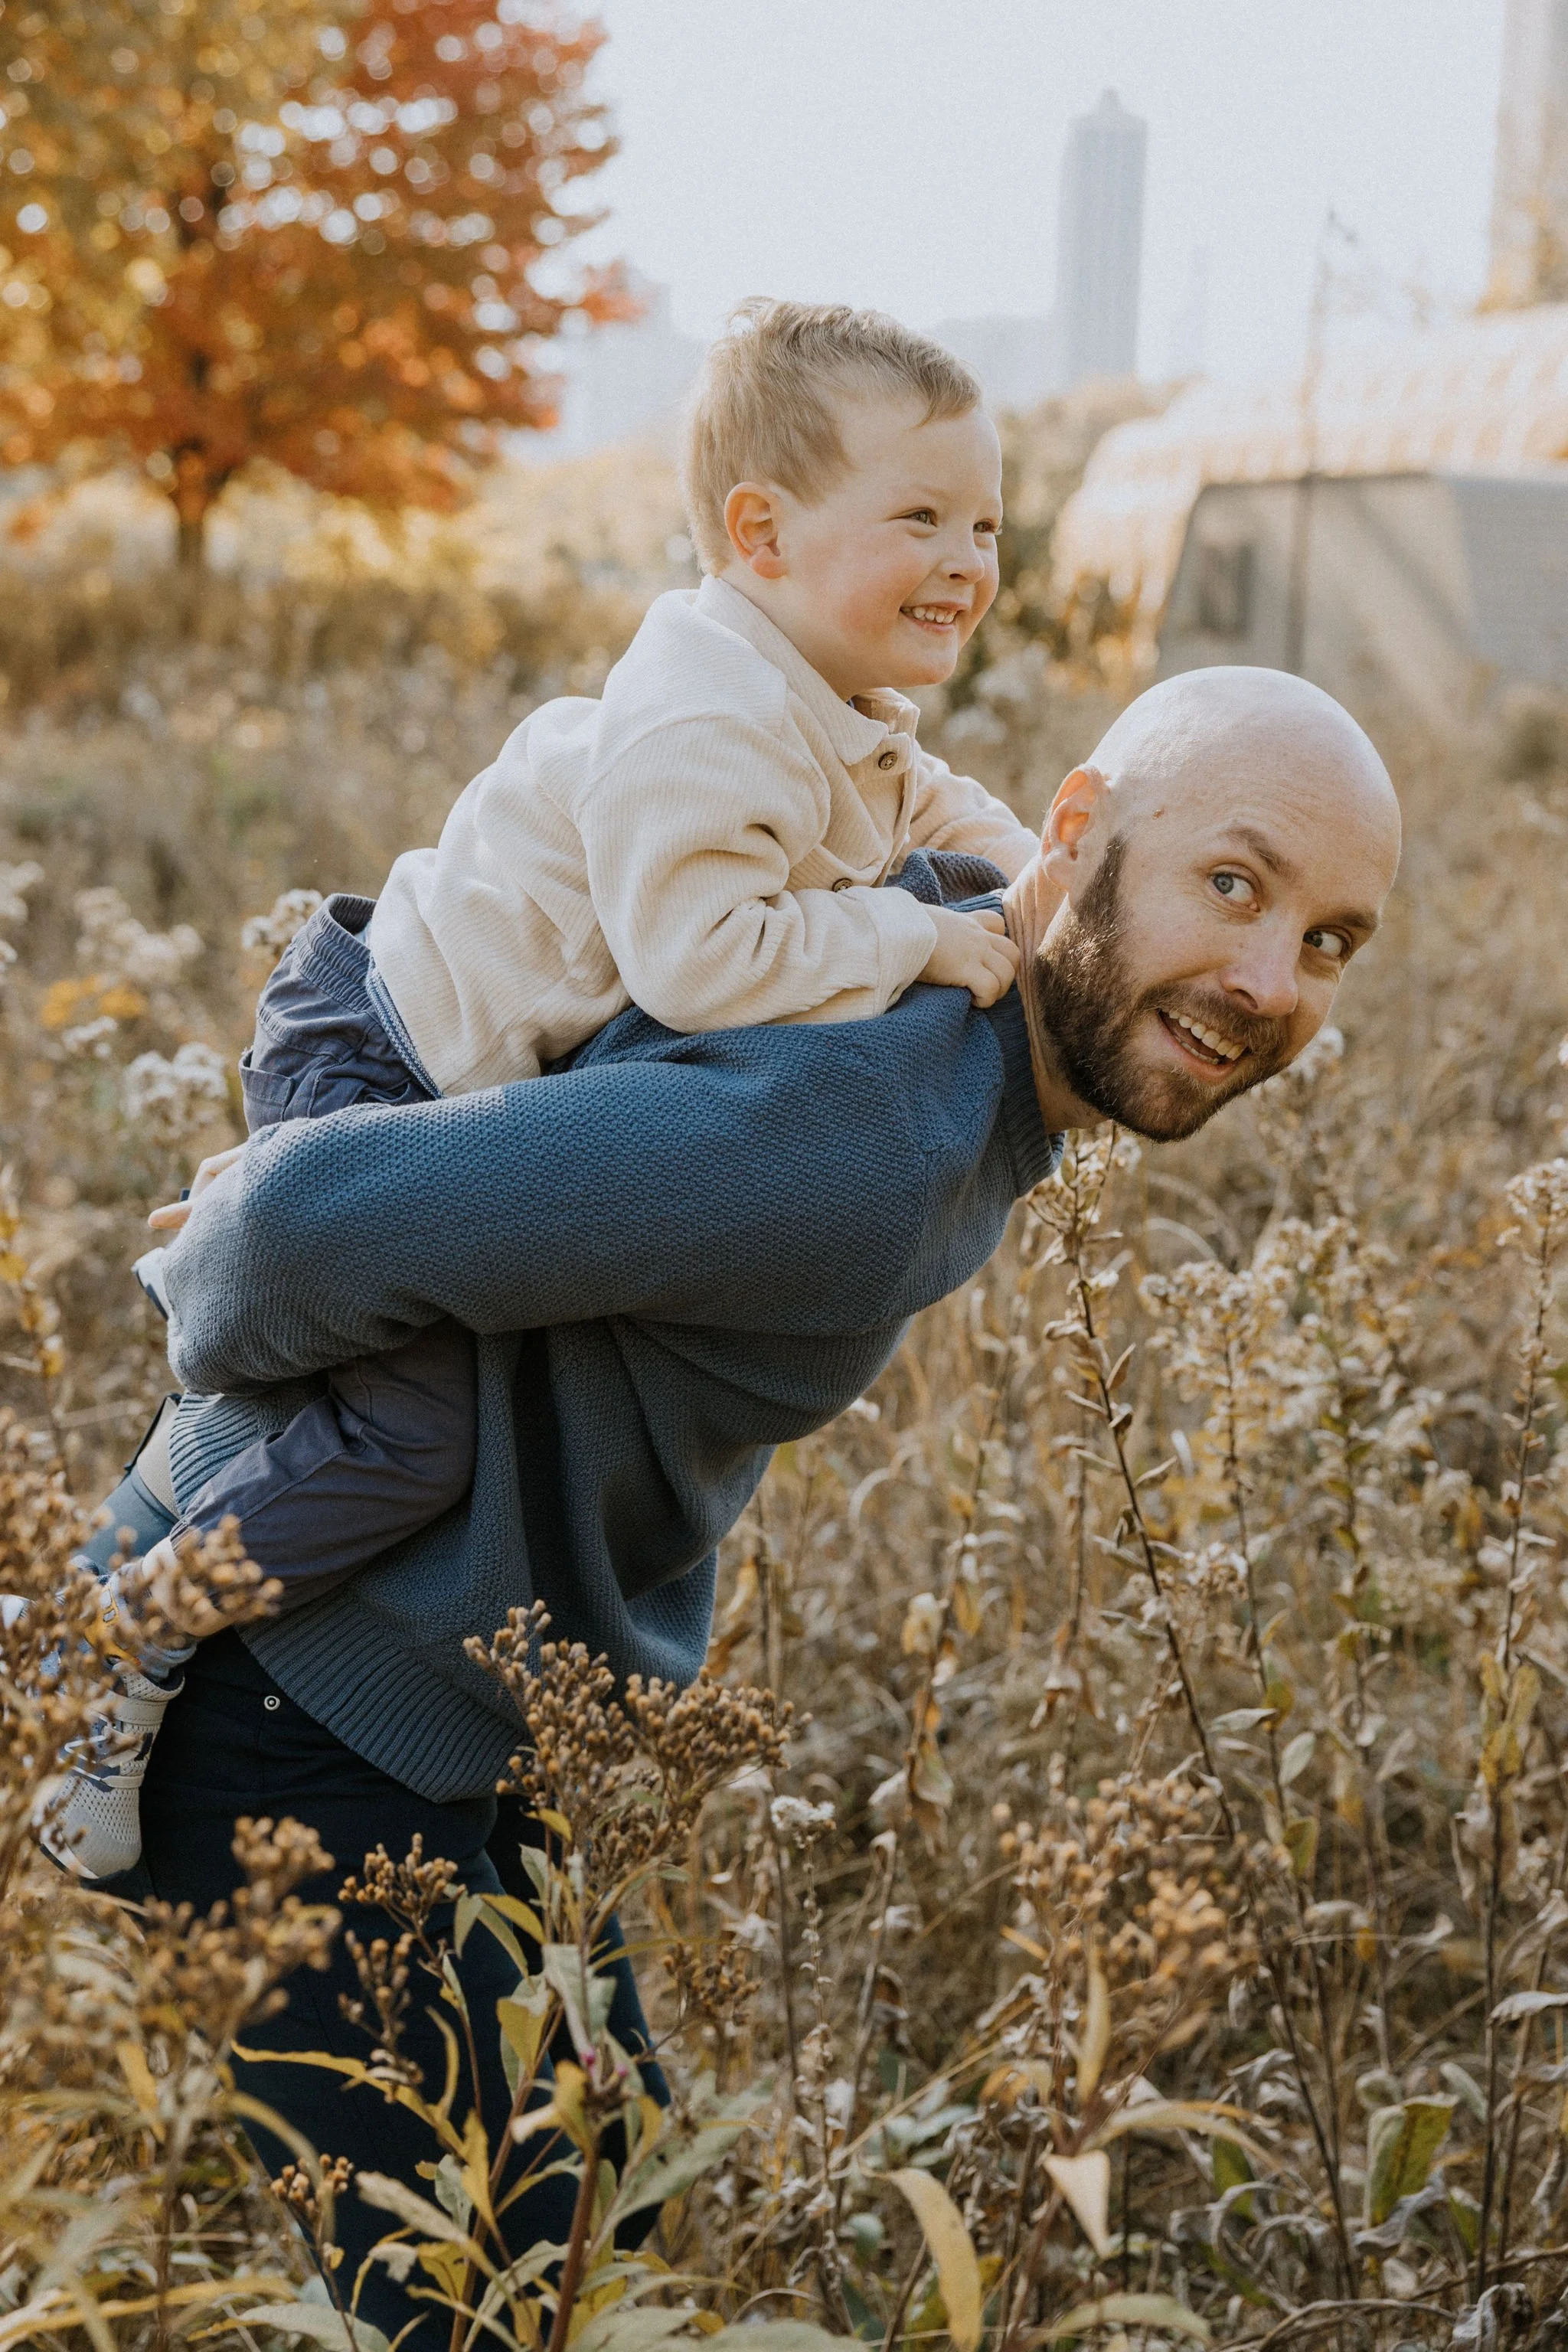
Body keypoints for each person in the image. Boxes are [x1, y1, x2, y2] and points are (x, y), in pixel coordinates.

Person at [65, 661, 1400, 2342]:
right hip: (304, 1704)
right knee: (479, 2310)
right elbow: (284, 1242)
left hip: (468, 1710)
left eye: (1330, 941)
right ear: (1078, 834)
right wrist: (214, 1431)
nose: (1270, 979)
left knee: (618, 2216)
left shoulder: (919, 981)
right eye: (1235, 883)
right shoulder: (872, 1133)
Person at [47, 299, 1039, 1882]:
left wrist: (1051, 890)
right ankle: (121, 1640)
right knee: (407, 1440)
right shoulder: (705, 708)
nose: (968, 558)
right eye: (918, 517)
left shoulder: (831, 703)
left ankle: (192, 1428)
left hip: (444, 1056)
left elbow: (945, 801)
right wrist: (919, 933)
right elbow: (706, 957)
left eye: (985, 521)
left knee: (412, 1368)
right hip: (378, 1037)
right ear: (759, 532)